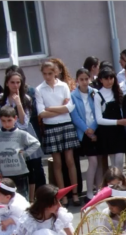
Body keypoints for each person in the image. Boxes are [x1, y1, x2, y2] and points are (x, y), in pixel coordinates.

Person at [34, 60, 80, 205]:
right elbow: (41, 113)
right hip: (51, 127)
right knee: (57, 163)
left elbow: (69, 108)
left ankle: (75, 193)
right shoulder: (39, 89)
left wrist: (50, 109)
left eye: (50, 73)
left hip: (66, 125)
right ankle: (62, 195)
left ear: (56, 73)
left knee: (70, 161)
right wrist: (59, 109)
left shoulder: (64, 85)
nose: (47, 76)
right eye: (45, 74)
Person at [0, 69, 46, 202]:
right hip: (7, 136)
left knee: (30, 169)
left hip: (24, 135)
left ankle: (30, 199)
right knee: (13, 170)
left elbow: (24, 122)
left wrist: (18, 103)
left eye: (18, 82)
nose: (15, 85)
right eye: (12, 82)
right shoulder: (1, 98)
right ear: (7, 83)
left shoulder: (26, 98)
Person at [0, 106, 41, 200]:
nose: (6, 124)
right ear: (0, 120)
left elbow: (36, 143)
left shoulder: (21, 134)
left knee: (21, 197)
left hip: (20, 172)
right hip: (4, 173)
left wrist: (25, 153)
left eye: (9, 120)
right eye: (3, 121)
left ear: (15, 118)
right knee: (6, 198)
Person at [70, 68, 104, 202]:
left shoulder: (95, 93)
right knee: (93, 161)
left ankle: (99, 189)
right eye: (81, 79)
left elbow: (99, 112)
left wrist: (94, 128)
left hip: (97, 130)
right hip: (84, 133)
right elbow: (75, 117)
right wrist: (87, 130)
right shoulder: (73, 95)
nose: (84, 82)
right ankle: (89, 191)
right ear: (77, 80)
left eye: (86, 79)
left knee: (100, 161)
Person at [90, 67, 126, 178]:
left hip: (119, 131)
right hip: (108, 132)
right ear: (101, 80)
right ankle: (115, 184)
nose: (109, 81)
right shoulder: (98, 95)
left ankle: (121, 182)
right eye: (106, 78)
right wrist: (118, 122)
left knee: (120, 160)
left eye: (111, 78)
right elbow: (99, 119)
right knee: (114, 163)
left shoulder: (117, 91)